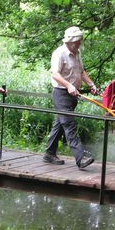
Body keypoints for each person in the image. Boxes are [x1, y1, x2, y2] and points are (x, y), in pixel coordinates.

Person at [43, 26, 98, 169]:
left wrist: (91, 84)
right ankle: (81, 158)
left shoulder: (77, 52)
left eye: (80, 41)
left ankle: (49, 153)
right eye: (78, 41)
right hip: (61, 94)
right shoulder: (59, 53)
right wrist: (69, 85)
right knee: (69, 125)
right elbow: (55, 74)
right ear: (70, 41)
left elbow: (81, 71)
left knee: (60, 124)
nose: (80, 43)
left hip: (73, 94)